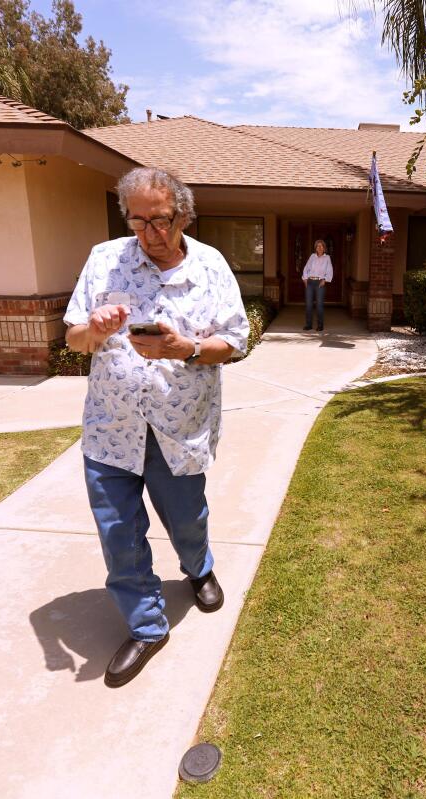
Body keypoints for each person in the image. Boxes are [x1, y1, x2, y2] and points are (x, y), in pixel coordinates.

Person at [63, 166, 249, 688]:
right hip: (111, 427)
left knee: (186, 519)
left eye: (162, 220)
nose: (150, 234)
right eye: (138, 220)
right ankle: (147, 625)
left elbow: (235, 341)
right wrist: (94, 332)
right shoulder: (105, 259)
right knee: (119, 533)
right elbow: (74, 338)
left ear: (184, 215)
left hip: (178, 427)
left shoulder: (210, 266)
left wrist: (183, 348)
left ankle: (199, 568)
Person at [301, 238, 332, 331]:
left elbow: (330, 271)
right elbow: (306, 268)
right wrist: (305, 279)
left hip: (320, 283)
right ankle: (309, 324)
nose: (319, 247)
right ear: (315, 247)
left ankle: (320, 325)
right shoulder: (312, 256)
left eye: (321, 246)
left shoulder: (327, 258)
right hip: (310, 282)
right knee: (309, 304)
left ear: (324, 248)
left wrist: (324, 280)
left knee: (319, 305)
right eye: (317, 246)